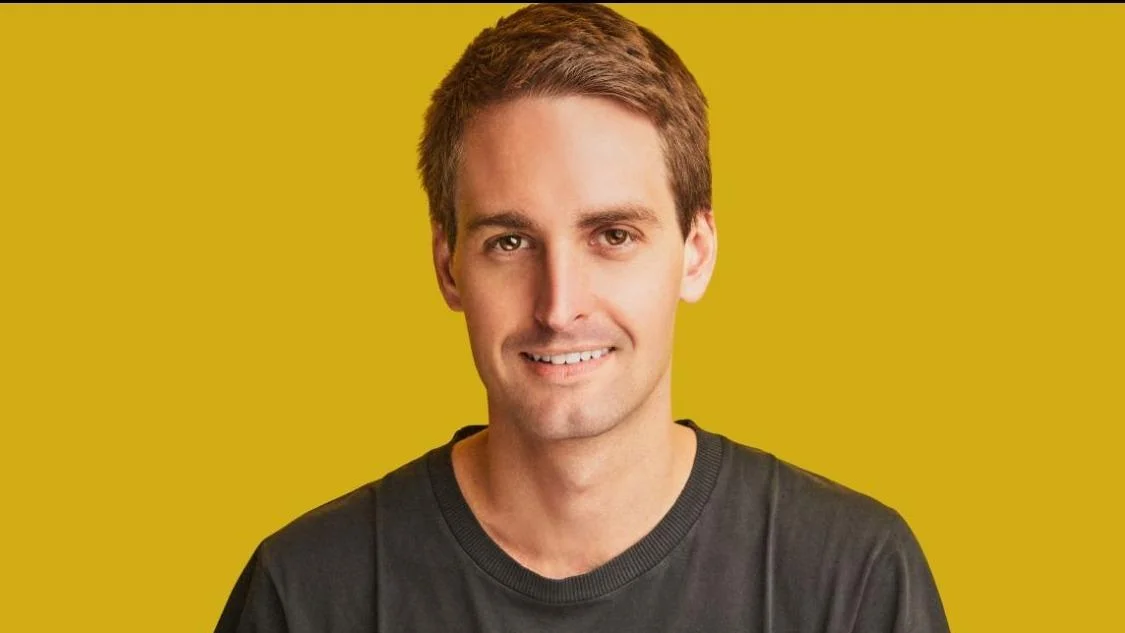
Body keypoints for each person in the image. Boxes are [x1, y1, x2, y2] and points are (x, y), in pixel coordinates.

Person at [215, 4, 950, 632]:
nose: (558, 306)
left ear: (696, 253)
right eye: (510, 242)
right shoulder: (306, 594)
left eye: (613, 236)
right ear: (448, 266)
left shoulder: (850, 579)